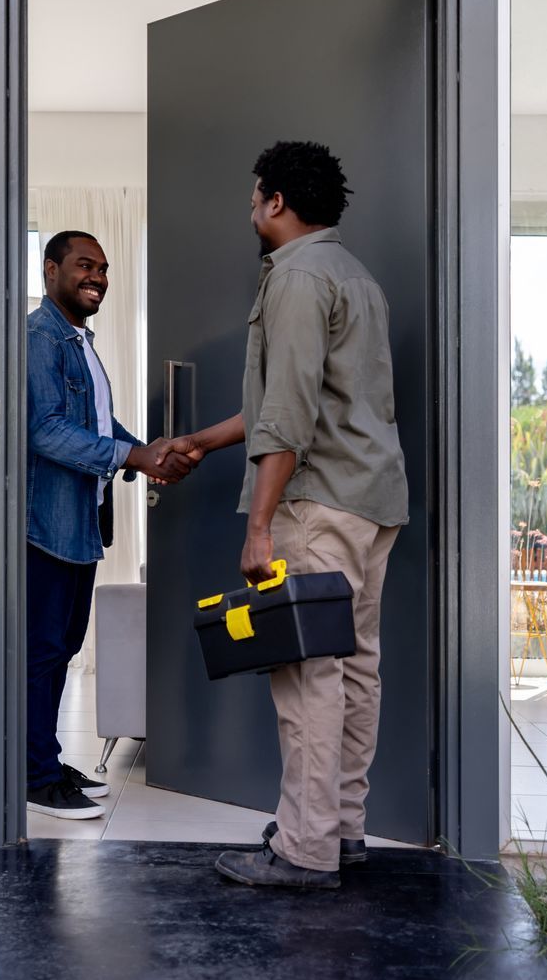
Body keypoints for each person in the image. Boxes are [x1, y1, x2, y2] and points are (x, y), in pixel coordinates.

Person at [171, 141, 408, 889]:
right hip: (372, 499)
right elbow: (301, 398)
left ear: (277, 201)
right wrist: (205, 443)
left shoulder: (296, 277)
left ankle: (305, 848)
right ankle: (340, 827)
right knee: (356, 665)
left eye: (253, 197)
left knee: (308, 670)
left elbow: (294, 412)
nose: (249, 209)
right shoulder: (353, 276)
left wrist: (259, 524)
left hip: (320, 501)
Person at [27, 229, 194, 820]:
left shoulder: (78, 342)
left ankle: (41, 759)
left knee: (63, 647)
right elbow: (43, 429)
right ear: (50, 270)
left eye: (102, 267)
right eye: (83, 266)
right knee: (44, 650)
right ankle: (35, 777)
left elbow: (97, 423)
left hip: (79, 525)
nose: (96, 276)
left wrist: (146, 451)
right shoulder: (39, 338)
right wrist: (133, 457)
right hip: (45, 525)